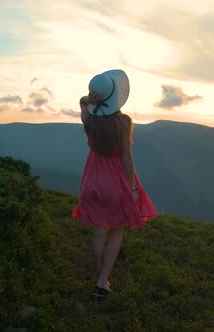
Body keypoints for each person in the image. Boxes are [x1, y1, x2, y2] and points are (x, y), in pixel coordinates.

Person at [71, 69, 157, 299]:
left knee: (99, 232)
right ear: (116, 97)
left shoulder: (89, 119)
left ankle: (99, 275)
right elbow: (127, 158)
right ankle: (101, 283)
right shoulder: (124, 122)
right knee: (116, 232)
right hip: (116, 182)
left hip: (92, 181)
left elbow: (82, 104)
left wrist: (88, 100)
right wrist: (133, 188)